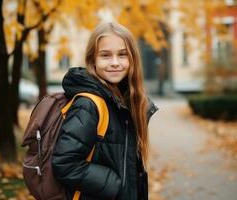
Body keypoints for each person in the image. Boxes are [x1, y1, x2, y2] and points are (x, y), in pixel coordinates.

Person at [51, 22, 158, 200]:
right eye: (105, 55)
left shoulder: (125, 102)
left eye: (122, 54)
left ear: (133, 59)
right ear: (93, 60)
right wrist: (113, 184)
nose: (115, 63)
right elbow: (64, 163)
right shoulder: (88, 105)